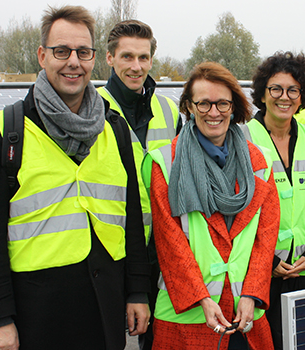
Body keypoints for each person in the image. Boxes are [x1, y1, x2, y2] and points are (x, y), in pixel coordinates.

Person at [0, 5, 151, 350]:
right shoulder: (3, 132)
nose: (73, 62)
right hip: (37, 311)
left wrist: (137, 291)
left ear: (94, 58)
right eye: (61, 51)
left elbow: (130, 217)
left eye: (83, 52)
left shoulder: (113, 128)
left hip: (104, 307)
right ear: (42, 55)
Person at [142, 61, 277, 349]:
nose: (213, 113)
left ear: (234, 106)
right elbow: (170, 244)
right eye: (203, 104)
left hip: (245, 313)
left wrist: (251, 294)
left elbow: (266, 238)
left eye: (222, 104)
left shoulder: (260, 161)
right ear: (189, 107)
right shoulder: (165, 162)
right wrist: (203, 299)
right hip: (188, 316)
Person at [96, 19, 179, 349]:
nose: (136, 66)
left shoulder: (170, 111)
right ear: (109, 58)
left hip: (160, 247)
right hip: (111, 249)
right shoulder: (91, 110)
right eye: (127, 57)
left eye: (143, 58)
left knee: (157, 338)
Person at [243, 51, 305, 350]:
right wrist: (269, 260)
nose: (285, 97)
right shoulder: (242, 138)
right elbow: (237, 212)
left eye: (293, 89)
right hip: (258, 270)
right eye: (276, 89)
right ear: (263, 93)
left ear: (302, 95)